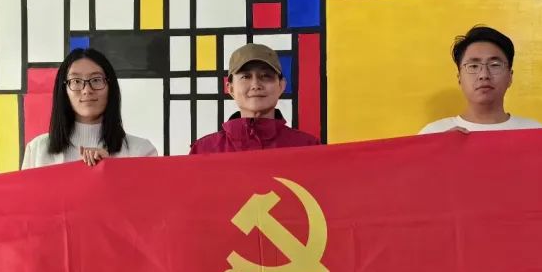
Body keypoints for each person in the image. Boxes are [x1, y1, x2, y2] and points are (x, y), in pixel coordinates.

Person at [21, 47, 157, 168]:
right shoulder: (37, 151)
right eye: (76, 81)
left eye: (96, 80)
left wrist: (113, 169)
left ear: (111, 87)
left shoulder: (142, 151)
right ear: (63, 90)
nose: (87, 90)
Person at [189, 44, 319, 154]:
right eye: (246, 77)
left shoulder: (309, 148)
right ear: (231, 88)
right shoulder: (203, 150)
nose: (256, 85)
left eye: (266, 76)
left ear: (281, 85)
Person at [419, 25, 542, 134]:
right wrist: (438, 147)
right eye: (473, 66)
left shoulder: (535, 132)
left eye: (494, 65)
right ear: (459, 78)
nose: (484, 75)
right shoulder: (434, 133)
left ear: (510, 77)